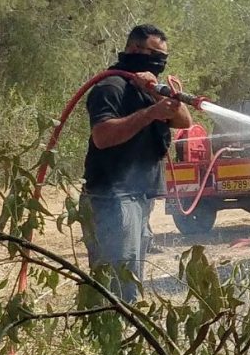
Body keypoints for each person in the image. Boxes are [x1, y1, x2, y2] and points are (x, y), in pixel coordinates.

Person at [81, 24, 192, 303]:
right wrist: (149, 113)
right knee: (118, 283)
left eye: (163, 56)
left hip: (139, 197)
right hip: (113, 198)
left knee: (130, 278)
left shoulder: (149, 87)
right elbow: (102, 136)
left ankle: (123, 332)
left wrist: (159, 96)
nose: (160, 62)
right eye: (155, 54)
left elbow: (184, 122)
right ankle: (113, 334)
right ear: (133, 49)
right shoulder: (110, 86)